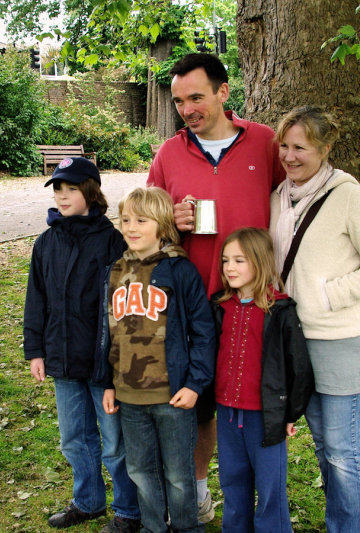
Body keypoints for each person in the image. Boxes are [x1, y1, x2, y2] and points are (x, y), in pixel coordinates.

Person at [147, 52, 285, 520]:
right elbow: (147, 227)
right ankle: (199, 495)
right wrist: (172, 222)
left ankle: (264, 505)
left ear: (224, 92)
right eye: (180, 100)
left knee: (253, 404)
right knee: (199, 405)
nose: (187, 109)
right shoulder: (168, 153)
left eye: (197, 97)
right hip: (191, 303)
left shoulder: (265, 142)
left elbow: (294, 200)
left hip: (253, 303)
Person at [23, 158, 141, 531]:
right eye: (57, 189)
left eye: (70, 189)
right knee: (74, 438)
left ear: (90, 191)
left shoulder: (113, 242)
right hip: (61, 358)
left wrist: (118, 360)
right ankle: (88, 501)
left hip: (102, 363)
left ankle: (128, 511)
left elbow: (126, 307)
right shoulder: (46, 242)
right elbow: (36, 299)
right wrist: (36, 350)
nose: (62, 196)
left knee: (114, 443)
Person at [102, 187, 215, 533]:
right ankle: (153, 527)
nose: (131, 227)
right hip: (129, 396)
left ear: (163, 226)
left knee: (179, 474)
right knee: (141, 471)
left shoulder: (180, 272)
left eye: (141, 220)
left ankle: (186, 528)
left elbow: (204, 333)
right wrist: (107, 382)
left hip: (173, 396)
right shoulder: (116, 271)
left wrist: (195, 384)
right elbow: (108, 331)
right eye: (125, 220)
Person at [270, 105, 360, 533]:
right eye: (284, 146)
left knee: (343, 452)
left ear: (325, 148)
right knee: (324, 445)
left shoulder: (347, 194)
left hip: (339, 339)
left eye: (300, 147)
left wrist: (330, 294)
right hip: (294, 340)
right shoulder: (277, 197)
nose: (289, 156)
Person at [211, 227, 313, 533]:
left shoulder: (280, 309)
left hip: (265, 417)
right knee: (232, 480)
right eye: (226, 260)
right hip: (227, 413)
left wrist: (290, 413)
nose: (229, 267)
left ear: (260, 262)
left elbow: (299, 366)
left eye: (239, 260)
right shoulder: (220, 307)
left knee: (269, 488)